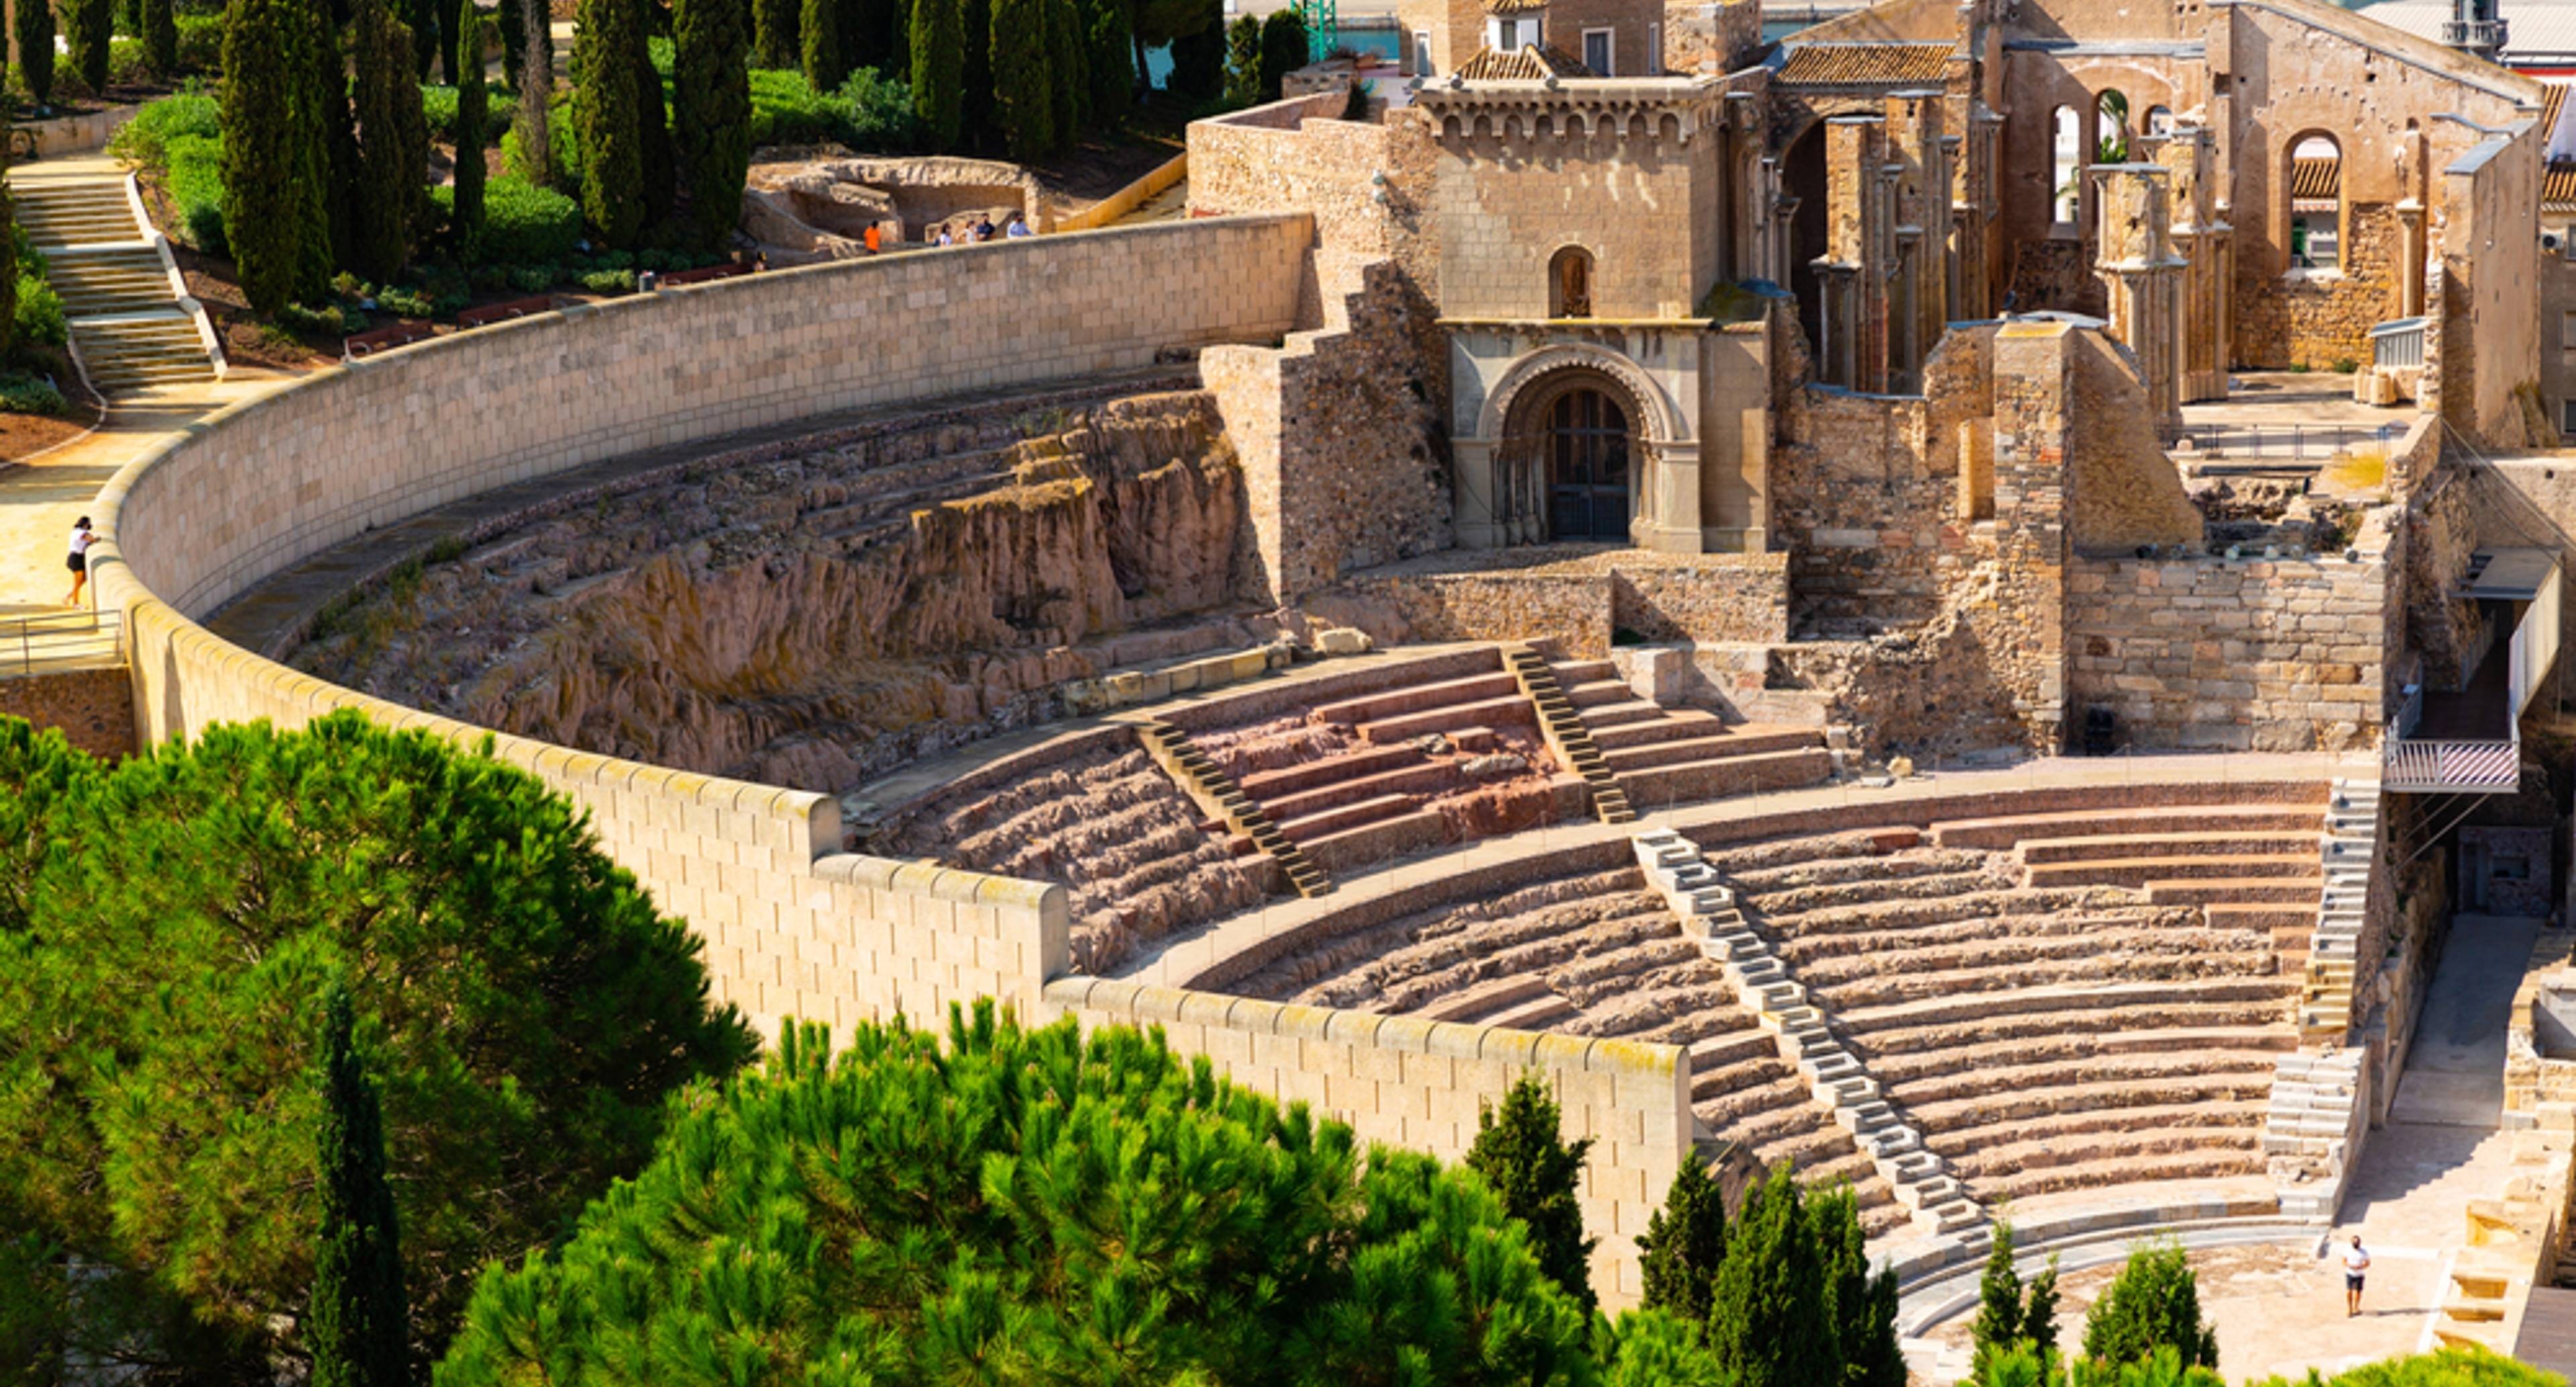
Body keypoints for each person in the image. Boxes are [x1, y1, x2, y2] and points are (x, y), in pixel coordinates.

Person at [62, 516, 95, 607]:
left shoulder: (75, 532)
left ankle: (68, 596)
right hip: (77, 558)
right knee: (78, 582)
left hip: (76, 557)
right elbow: (90, 538)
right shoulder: (81, 532)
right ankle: (75, 603)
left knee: (83, 579)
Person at [2343, 1234, 2371, 1317]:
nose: (2356, 1243)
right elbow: (2344, 1261)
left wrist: (2361, 1267)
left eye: (2357, 1242)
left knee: (2358, 1292)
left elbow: (2368, 1263)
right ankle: (2349, 1309)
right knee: (2349, 1291)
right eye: (2354, 1242)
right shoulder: (2347, 1251)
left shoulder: (2364, 1252)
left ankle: (2356, 1307)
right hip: (2350, 1273)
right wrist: (2350, 1266)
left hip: (2360, 1274)